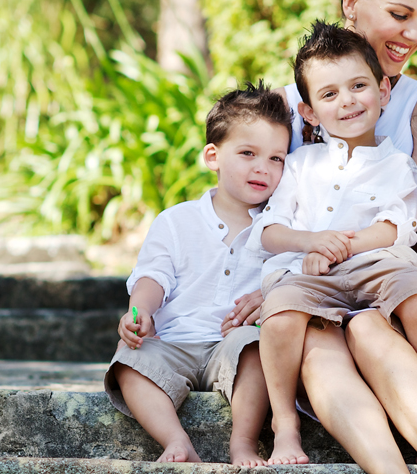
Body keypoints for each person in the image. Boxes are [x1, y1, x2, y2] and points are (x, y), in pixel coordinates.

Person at [223, 0, 417, 473]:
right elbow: (257, 201)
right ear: (352, 3)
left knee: (369, 332)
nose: (414, 35)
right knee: (320, 346)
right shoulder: (292, 107)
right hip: (308, 283)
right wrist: (256, 286)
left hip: (388, 282)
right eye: (401, 14)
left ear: (380, 92)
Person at [103, 82, 291, 466]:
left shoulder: (282, 227)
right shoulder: (177, 220)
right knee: (128, 362)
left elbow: (291, 279)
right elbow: (153, 275)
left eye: (277, 159)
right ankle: (176, 440)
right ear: (213, 156)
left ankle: (242, 442)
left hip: (234, 345)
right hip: (174, 340)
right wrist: (140, 314)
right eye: (248, 153)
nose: (263, 168)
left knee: (259, 350)